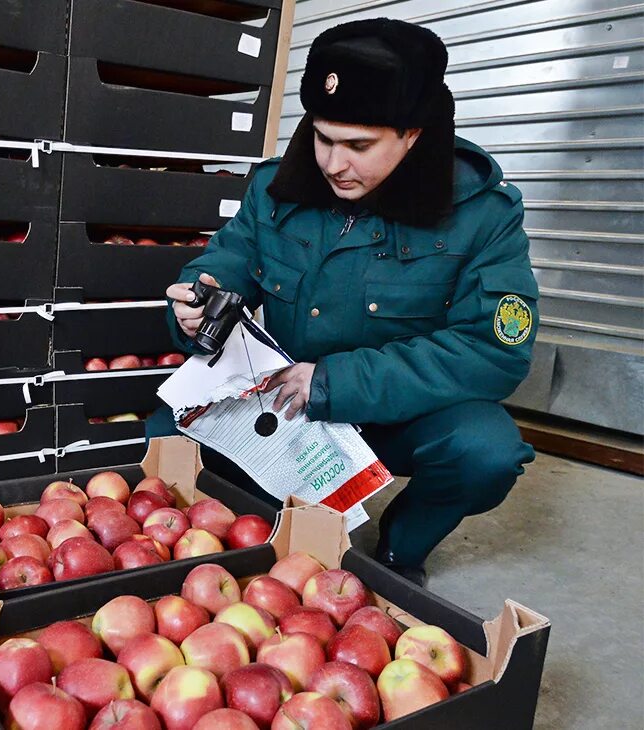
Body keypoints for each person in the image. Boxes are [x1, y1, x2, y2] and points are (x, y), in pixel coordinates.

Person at [148, 18, 538, 586]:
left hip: (397, 411)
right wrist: (198, 302)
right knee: (163, 436)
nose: (333, 164)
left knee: (485, 452)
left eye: (358, 146)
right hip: (285, 405)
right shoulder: (278, 189)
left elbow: (492, 351)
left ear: (414, 134)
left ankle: (400, 552)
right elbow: (228, 263)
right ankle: (261, 527)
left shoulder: (482, 214)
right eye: (323, 137)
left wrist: (334, 382)